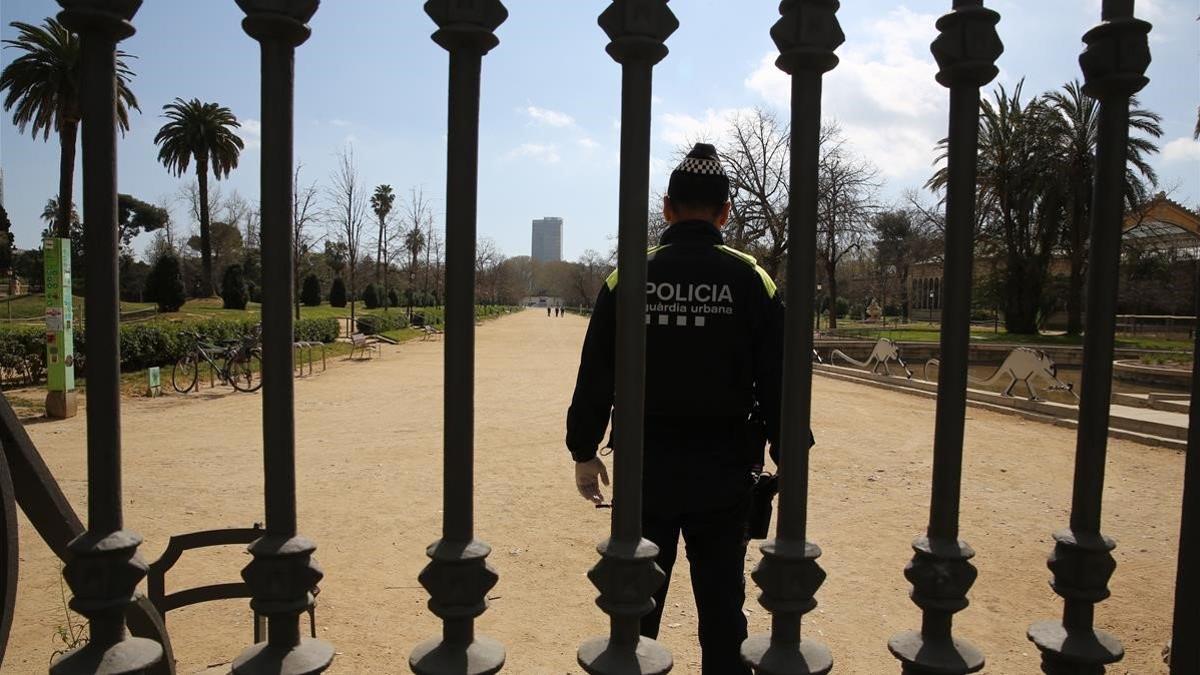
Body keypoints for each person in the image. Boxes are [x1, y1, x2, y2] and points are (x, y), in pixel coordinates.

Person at [565, 143, 786, 675]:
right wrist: (787, 445)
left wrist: (584, 449)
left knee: (635, 606)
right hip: (725, 470)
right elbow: (780, 378)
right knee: (722, 611)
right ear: (726, 211)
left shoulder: (629, 278)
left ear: (666, 208)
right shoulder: (752, 278)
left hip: (647, 469)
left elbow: (597, 370)